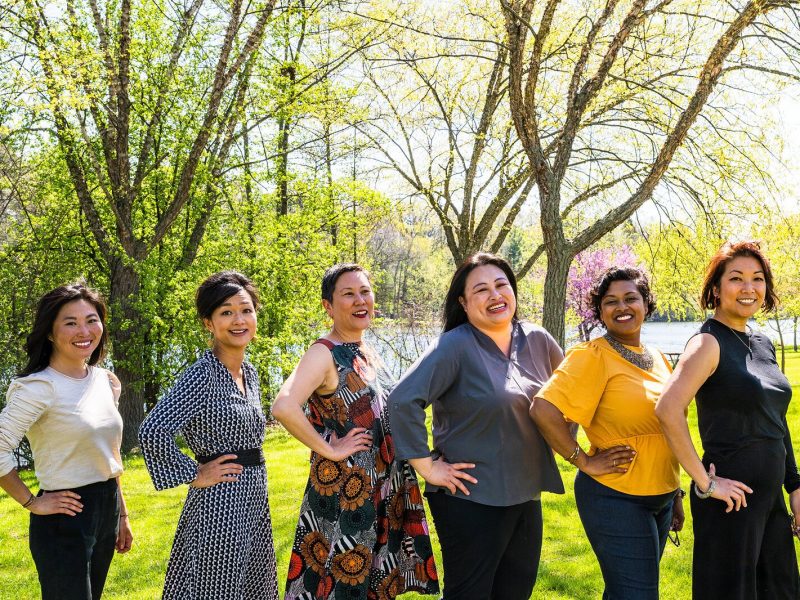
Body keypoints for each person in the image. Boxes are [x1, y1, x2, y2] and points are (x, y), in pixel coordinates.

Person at [387, 252, 564, 600]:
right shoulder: (454, 346)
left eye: (501, 285)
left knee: (515, 591)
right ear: (464, 303)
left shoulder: (537, 339)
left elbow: (572, 395)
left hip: (526, 492)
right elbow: (402, 400)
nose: (495, 295)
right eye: (481, 290)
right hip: (471, 498)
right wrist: (427, 466)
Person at [272, 263, 438, 600]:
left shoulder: (366, 349)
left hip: (382, 485)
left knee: (373, 582)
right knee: (341, 582)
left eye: (365, 291)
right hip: (348, 493)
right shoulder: (324, 353)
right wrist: (330, 449)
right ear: (328, 306)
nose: (360, 299)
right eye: (348, 294)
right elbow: (284, 406)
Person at [656, 241, 800, 599]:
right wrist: (705, 483)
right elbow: (667, 409)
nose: (748, 288)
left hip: (770, 501)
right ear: (716, 289)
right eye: (736, 278)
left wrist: (795, 486)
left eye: (757, 278)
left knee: (781, 590)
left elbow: (776, 421)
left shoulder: (762, 342)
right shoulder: (707, 343)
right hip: (730, 501)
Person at [531, 267, 683, 599]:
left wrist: (676, 493)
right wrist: (582, 460)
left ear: (646, 303)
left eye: (631, 298)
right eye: (610, 301)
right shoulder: (591, 356)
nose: (622, 307)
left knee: (623, 593)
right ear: (600, 312)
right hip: (615, 497)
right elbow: (543, 409)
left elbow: (668, 428)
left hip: (661, 497)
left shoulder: (658, 359)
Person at [138, 271, 278, 600]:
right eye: (226, 312)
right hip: (220, 502)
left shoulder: (251, 373)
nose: (238, 320)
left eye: (246, 310)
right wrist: (195, 473)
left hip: (254, 499)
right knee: (216, 587)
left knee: (253, 586)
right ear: (208, 323)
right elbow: (152, 431)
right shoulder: (202, 374)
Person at [0, 283, 132, 600]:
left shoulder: (105, 380)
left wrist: (121, 515)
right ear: (49, 332)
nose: (83, 330)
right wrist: (32, 502)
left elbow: (106, 454)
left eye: (91, 319)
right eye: (70, 322)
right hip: (64, 516)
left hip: (106, 508)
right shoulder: (38, 387)